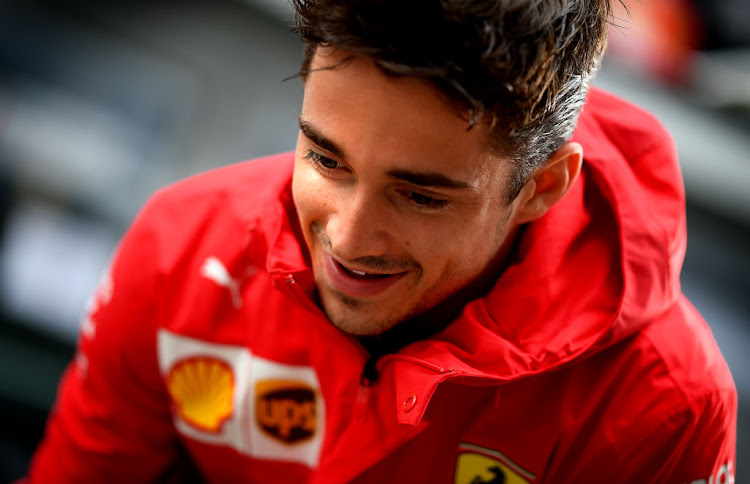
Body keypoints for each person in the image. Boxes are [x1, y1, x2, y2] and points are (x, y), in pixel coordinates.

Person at [24, 0, 737, 483]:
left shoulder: (665, 403)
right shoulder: (182, 246)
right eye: (325, 159)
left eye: (420, 194)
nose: (347, 237)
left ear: (544, 186)